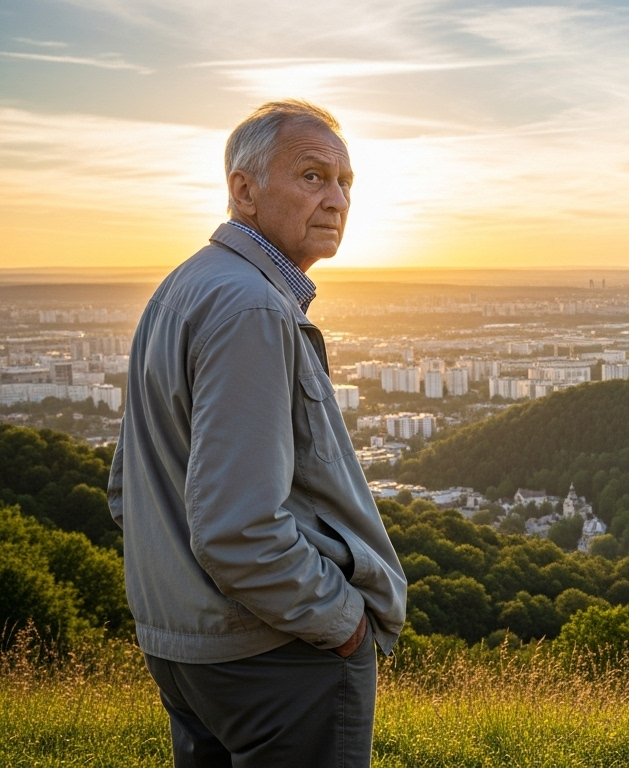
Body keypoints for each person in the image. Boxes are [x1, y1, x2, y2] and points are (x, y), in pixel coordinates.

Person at [107, 99, 406, 767]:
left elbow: (127, 487)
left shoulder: (184, 287)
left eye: (345, 181)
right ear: (243, 190)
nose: (335, 199)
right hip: (274, 655)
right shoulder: (251, 307)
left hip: (188, 648)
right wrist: (343, 623)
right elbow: (237, 527)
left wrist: (179, 608)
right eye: (310, 176)